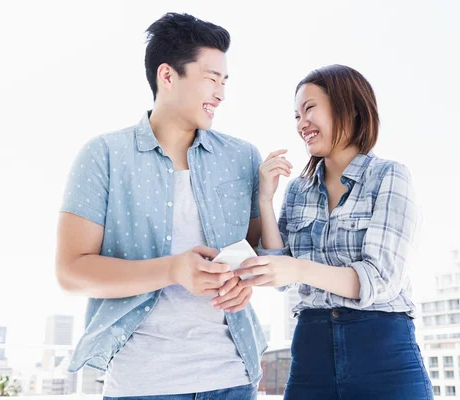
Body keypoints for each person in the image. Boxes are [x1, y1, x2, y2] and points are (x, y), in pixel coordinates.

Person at [55, 12, 266, 400]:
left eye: (224, 81)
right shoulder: (104, 155)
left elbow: (257, 253)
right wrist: (172, 269)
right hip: (143, 384)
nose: (220, 93)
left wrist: (244, 283)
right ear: (167, 76)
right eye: (210, 78)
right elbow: (71, 271)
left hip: (232, 378)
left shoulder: (243, 157)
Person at [236, 64, 433, 399]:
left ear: (350, 109)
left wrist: (299, 269)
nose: (301, 124)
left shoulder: (389, 176)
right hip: (311, 348)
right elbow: (281, 277)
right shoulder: (298, 190)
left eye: (309, 108)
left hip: (382, 349)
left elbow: (380, 279)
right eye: (296, 116)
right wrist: (265, 199)